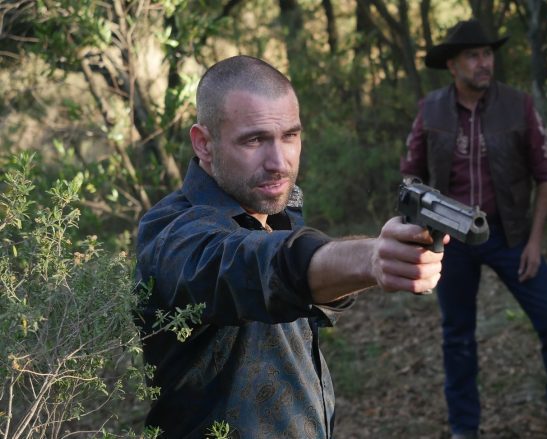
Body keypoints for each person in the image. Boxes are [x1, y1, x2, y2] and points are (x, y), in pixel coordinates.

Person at [135, 55, 445, 438]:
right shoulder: (170, 233)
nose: (279, 162)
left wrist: (375, 259)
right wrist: (370, 258)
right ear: (204, 144)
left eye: (290, 136)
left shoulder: (276, 209)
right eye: (254, 140)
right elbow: (246, 266)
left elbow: (294, 273)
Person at [401, 19, 547, 439]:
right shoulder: (430, 110)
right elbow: (410, 176)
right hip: (451, 238)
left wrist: (534, 242)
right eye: (473, 56)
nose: (484, 63)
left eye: (488, 54)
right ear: (453, 65)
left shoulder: (517, 105)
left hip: (510, 235)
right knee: (457, 338)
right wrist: (424, 230)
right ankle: (466, 429)